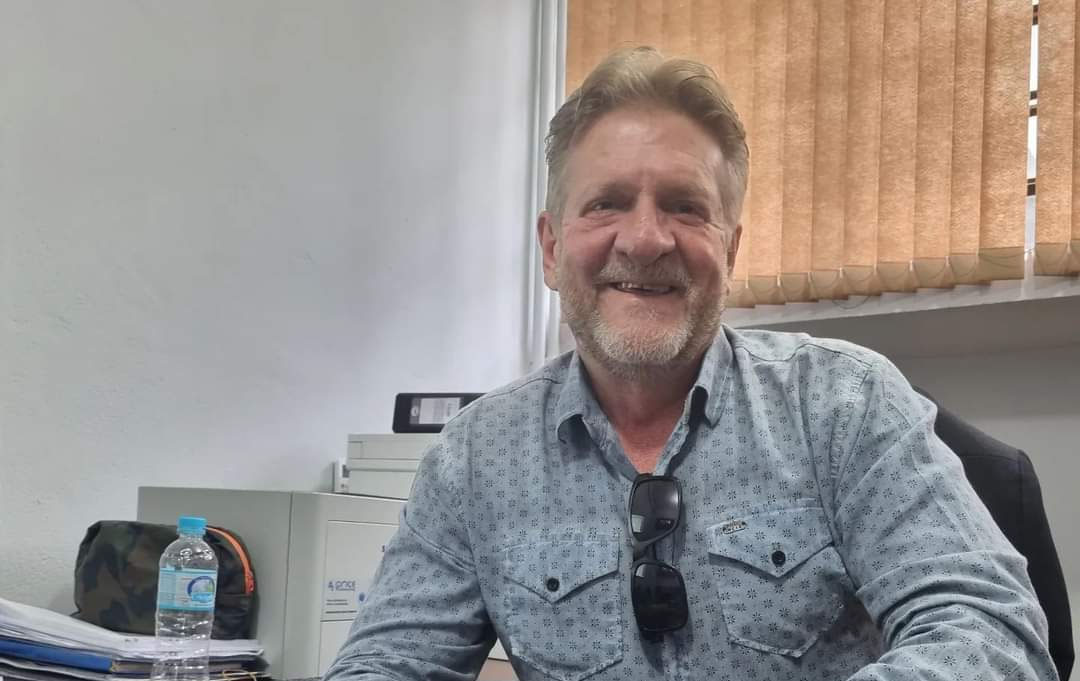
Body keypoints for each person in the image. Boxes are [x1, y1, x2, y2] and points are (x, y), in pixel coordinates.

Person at [323, 47, 1058, 681]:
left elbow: (990, 632)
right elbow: (381, 663)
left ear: (730, 250)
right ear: (551, 249)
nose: (646, 239)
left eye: (684, 206)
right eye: (607, 203)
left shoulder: (846, 402)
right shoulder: (475, 457)